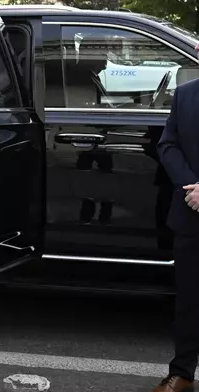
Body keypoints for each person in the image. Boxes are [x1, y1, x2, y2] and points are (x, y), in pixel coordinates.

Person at [154, 64, 199, 391]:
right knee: (188, 301)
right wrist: (192, 186)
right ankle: (182, 373)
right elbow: (167, 145)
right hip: (191, 212)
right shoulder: (185, 94)